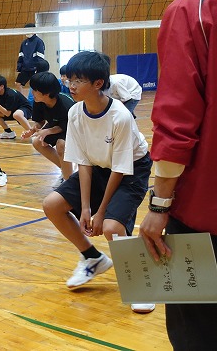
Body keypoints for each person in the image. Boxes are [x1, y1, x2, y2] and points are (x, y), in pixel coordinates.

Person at [140, 0, 217, 347]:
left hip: (204, 214)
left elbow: (177, 121)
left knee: (197, 334)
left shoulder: (193, 10)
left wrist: (159, 204)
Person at [42, 51, 153, 314]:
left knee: (112, 227)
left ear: (98, 83)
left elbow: (120, 169)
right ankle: (92, 258)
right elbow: (83, 163)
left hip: (131, 171)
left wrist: (100, 212)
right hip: (99, 167)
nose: (71, 86)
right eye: (69, 79)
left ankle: (140, 285)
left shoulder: (120, 116)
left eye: (78, 80)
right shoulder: (75, 112)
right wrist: (85, 208)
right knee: (52, 205)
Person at [21, 72, 75, 189]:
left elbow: (65, 126)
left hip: (74, 129)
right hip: (56, 126)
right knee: (37, 142)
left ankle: (69, 183)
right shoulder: (39, 102)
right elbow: (40, 121)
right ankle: (67, 173)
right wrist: (33, 130)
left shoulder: (66, 105)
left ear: (47, 93)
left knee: (61, 145)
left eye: (35, 90)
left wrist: (48, 131)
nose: (32, 92)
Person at [0, 75, 32, 139]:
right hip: (13, 111)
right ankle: (8, 132)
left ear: (2, 86)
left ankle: (32, 132)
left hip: (25, 109)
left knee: (17, 114)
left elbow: (7, 114)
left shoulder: (10, 95)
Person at [15, 23, 46, 97]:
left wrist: (39, 69)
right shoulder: (24, 43)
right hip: (25, 68)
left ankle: (34, 100)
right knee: (18, 83)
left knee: (34, 86)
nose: (27, 32)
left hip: (35, 69)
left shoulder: (39, 42)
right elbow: (21, 56)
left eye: (28, 30)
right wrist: (19, 67)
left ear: (34, 31)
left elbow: (40, 57)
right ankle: (21, 99)